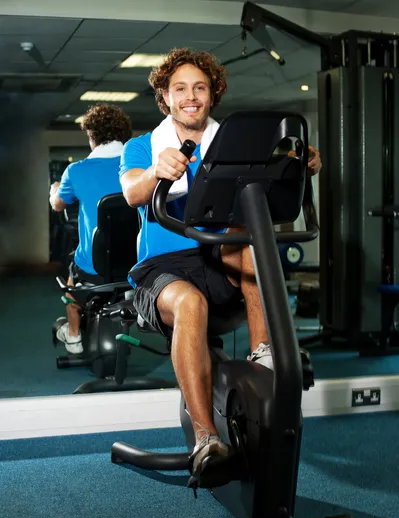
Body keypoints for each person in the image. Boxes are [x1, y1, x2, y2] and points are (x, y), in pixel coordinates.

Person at [119, 48, 322, 486]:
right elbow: (134, 193)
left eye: (200, 88)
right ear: (165, 97)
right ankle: (205, 440)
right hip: (161, 272)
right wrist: (158, 170)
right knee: (190, 305)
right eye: (180, 89)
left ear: (212, 95)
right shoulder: (142, 145)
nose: (191, 97)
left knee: (250, 237)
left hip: (216, 257)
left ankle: (264, 352)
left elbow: (273, 179)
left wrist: (302, 165)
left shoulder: (231, 142)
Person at [49, 104, 132, 354]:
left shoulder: (76, 170)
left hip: (95, 266)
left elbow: (57, 204)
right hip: (138, 261)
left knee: (73, 276)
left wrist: (55, 187)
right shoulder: (139, 166)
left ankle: (73, 335)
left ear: (92, 136)